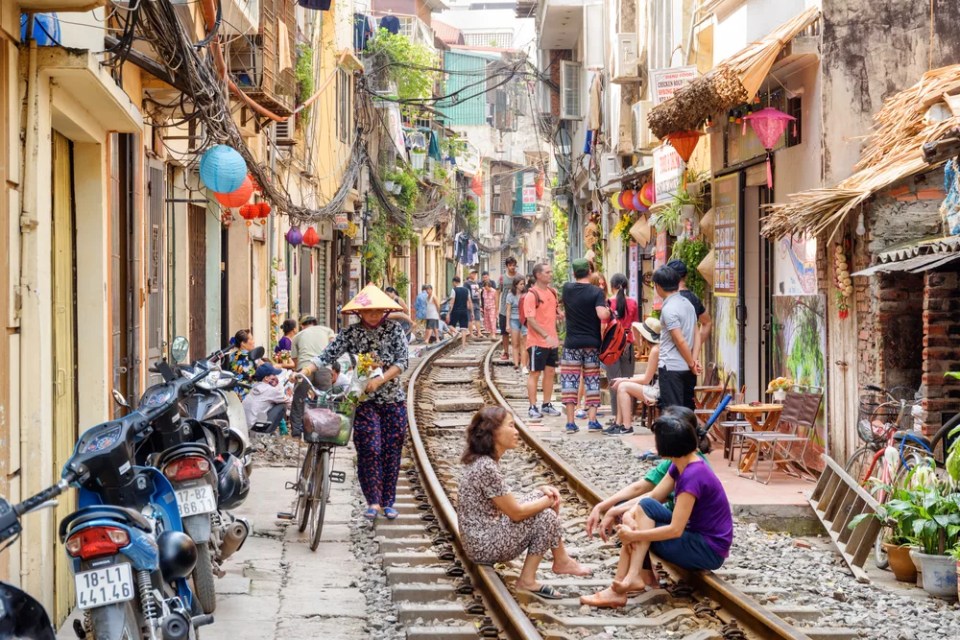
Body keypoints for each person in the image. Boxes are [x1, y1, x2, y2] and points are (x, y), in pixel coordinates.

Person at [581, 412, 731, 607]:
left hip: (708, 550)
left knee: (637, 530)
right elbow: (652, 499)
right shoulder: (682, 464)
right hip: (695, 536)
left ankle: (620, 587)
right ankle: (630, 579)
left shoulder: (693, 476)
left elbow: (675, 530)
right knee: (643, 510)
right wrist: (628, 514)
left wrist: (633, 535)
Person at [457, 406, 591, 598]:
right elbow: (516, 513)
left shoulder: (483, 462)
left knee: (543, 505)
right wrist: (548, 501)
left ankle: (560, 560)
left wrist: (540, 492)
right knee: (545, 515)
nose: (516, 431)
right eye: (511, 426)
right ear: (493, 431)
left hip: (479, 541)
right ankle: (539, 573)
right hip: (484, 546)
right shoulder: (486, 467)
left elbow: (507, 505)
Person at [304, 285, 410, 521]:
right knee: (369, 448)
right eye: (368, 311)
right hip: (363, 401)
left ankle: (388, 502)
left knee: (391, 451)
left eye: (377, 311)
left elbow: (403, 361)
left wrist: (381, 379)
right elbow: (327, 354)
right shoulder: (350, 333)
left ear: (384, 311)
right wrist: (308, 368)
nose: (373, 315)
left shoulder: (394, 331)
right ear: (360, 313)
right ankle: (372, 501)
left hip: (393, 400)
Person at [560, 259, 611, 433]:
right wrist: (609, 311)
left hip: (572, 344)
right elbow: (602, 314)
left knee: (570, 382)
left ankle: (570, 422)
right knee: (591, 381)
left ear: (574, 273)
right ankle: (592, 421)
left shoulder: (567, 289)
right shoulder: (596, 291)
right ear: (590, 272)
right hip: (591, 344)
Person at [654, 266, 701, 410]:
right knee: (687, 412)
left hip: (671, 368)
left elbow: (679, 340)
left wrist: (692, 363)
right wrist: (693, 360)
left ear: (658, 286)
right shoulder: (687, 304)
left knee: (673, 415)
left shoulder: (669, 309)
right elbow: (696, 334)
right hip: (687, 369)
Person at [605, 317, 662, 436]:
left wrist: (625, 379)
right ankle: (619, 423)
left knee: (623, 387)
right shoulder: (657, 348)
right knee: (622, 384)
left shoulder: (655, 351)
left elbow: (647, 378)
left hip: (658, 391)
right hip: (658, 387)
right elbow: (634, 328)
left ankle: (626, 427)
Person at [524, 263, 563, 420]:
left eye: (551, 271)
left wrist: (559, 315)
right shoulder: (531, 295)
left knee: (550, 372)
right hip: (537, 341)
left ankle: (546, 404)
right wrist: (544, 335)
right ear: (538, 275)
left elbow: (554, 312)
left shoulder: (553, 292)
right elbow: (530, 320)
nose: (550, 274)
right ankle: (532, 406)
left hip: (551, 341)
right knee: (534, 373)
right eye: (547, 272)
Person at [289, 316, 336, 437]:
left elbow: (295, 360)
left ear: (302, 325)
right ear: (315, 323)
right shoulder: (327, 330)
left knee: (299, 400)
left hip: (305, 368)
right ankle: (323, 429)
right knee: (325, 399)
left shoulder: (297, 336)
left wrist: (297, 373)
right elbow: (334, 345)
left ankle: (296, 432)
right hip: (324, 367)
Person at [604, 274, 641, 425]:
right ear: (626, 287)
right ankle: (628, 417)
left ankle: (616, 417)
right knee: (627, 381)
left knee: (614, 381)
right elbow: (636, 327)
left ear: (612, 286)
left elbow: (603, 326)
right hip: (627, 343)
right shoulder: (632, 303)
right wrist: (638, 346)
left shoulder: (607, 303)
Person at [666, 259, 712, 361]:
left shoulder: (671, 299)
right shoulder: (693, 298)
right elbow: (707, 322)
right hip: (690, 358)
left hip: (672, 359)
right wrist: (695, 346)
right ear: (685, 276)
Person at [243, 363, 291, 433]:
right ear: (266, 378)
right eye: (273, 375)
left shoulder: (254, 387)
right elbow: (289, 403)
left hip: (246, 427)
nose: (276, 377)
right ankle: (267, 433)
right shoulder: (271, 390)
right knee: (282, 405)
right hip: (257, 428)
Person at [225, 329, 259, 399]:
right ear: (243, 343)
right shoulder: (249, 356)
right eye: (251, 339)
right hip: (247, 395)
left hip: (234, 395)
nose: (253, 342)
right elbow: (256, 374)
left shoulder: (233, 356)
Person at [498, 257, 519, 361]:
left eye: (514, 265)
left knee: (518, 332)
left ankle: (518, 353)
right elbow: (498, 292)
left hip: (517, 309)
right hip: (503, 309)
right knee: (504, 333)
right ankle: (506, 352)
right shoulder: (502, 278)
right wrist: (496, 307)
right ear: (506, 266)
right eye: (510, 265)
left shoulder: (519, 277)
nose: (512, 267)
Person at [504, 277, 526, 373]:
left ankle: (523, 363)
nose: (522, 286)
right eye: (521, 284)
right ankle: (516, 363)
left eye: (523, 284)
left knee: (523, 342)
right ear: (516, 285)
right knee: (515, 342)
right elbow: (508, 310)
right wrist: (507, 324)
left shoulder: (526, 295)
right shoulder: (510, 296)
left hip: (524, 320)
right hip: (514, 319)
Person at [467, 270, 483, 338]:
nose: (474, 274)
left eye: (475, 273)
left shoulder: (477, 283)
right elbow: (466, 294)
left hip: (477, 302)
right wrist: (467, 303)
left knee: (478, 318)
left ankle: (479, 332)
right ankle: (471, 334)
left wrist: (480, 303)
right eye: (473, 273)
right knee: (470, 319)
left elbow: (478, 293)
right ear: (470, 274)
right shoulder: (467, 283)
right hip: (470, 302)